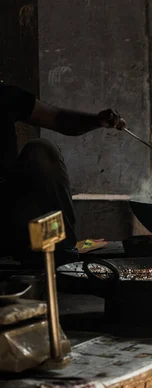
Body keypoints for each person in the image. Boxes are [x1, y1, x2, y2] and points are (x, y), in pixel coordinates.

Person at [0, 84, 125, 266]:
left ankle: (60, 250)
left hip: (11, 212)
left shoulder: (4, 96)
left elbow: (58, 119)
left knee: (41, 151)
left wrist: (97, 121)